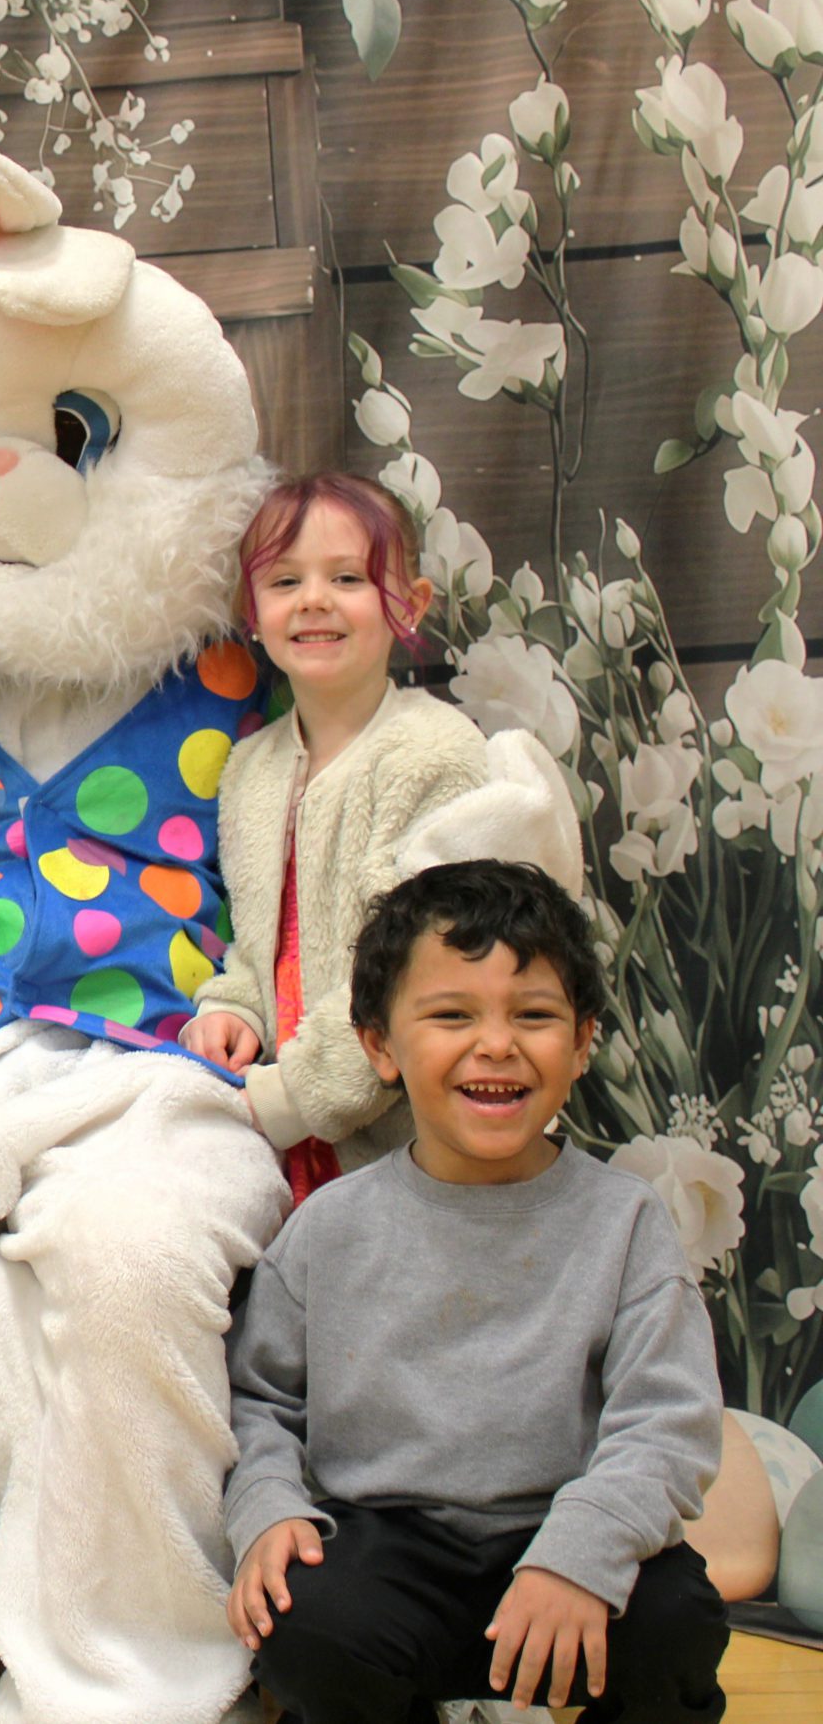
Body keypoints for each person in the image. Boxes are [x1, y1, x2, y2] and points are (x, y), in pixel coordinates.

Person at [226, 859, 729, 1720]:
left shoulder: (627, 1224)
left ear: (581, 1044)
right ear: (381, 1045)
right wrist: (267, 1511)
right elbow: (257, 1400)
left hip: (569, 1532)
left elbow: (667, 1423)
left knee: (678, 1619)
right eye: (452, 1014)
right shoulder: (330, 1228)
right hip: (387, 1549)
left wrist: (580, 1553)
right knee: (306, 1622)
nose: (496, 1044)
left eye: (533, 1016)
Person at [181, 472, 492, 1203]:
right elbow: (259, 942)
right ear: (250, 610)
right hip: (280, 1146)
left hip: (400, 1151)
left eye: (348, 577)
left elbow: (421, 979)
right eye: (285, 580)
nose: (314, 599)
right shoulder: (250, 768)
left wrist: (285, 1101)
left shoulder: (434, 756)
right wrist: (233, 1007)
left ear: (409, 604)